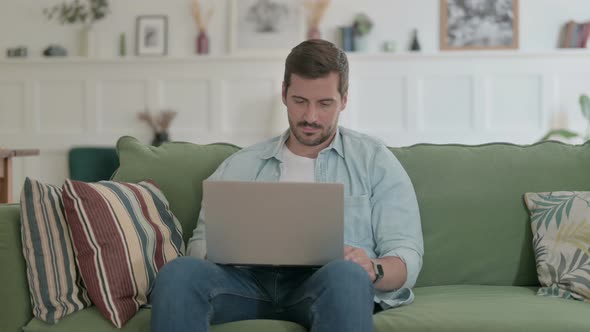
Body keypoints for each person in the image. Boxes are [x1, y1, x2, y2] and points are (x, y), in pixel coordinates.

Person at [150, 39, 424, 332]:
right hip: (246, 285)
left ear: (344, 99)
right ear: (284, 93)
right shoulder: (240, 165)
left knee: (347, 275)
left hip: (327, 286)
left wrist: (373, 268)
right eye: (300, 101)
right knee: (178, 272)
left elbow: (406, 257)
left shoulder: (374, 161)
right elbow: (199, 245)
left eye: (325, 104)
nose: (310, 117)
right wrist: (229, 249)